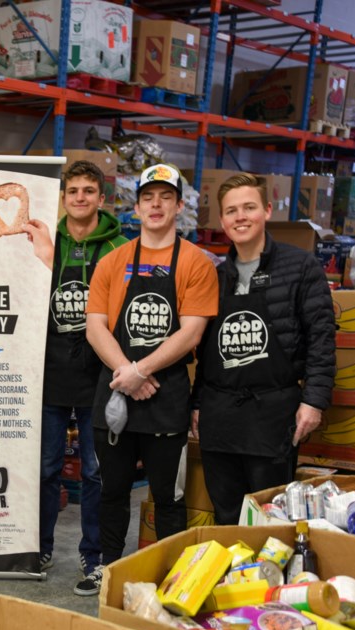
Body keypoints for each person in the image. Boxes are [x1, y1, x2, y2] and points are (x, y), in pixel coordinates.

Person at [84, 163, 219, 594]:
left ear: (179, 206)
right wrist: (127, 374)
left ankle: (174, 581)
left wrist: (140, 370)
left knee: (169, 496)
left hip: (166, 397)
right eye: (148, 197)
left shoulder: (196, 262)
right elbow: (95, 326)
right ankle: (104, 569)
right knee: (112, 491)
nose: (156, 204)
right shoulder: (113, 261)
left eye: (165, 197)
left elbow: (192, 331)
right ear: (137, 206)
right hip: (115, 397)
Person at [191, 173, 335, 525]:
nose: (240, 217)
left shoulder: (300, 267)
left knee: (271, 517)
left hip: (272, 415)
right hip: (219, 414)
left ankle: (268, 581)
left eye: (249, 207)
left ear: (267, 210)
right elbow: (206, 348)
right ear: (222, 220)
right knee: (225, 513)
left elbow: (322, 337)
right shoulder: (214, 275)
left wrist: (313, 401)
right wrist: (196, 403)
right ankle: (233, 580)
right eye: (231, 210)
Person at [22, 160, 128, 596]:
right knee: (44, 468)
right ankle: (39, 548)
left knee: (94, 473)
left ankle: (94, 555)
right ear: (63, 198)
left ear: (101, 199)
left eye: (88, 191)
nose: (80, 198)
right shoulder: (48, 236)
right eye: (73, 191)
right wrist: (45, 257)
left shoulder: (121, 246)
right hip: (48, 372)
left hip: (98, 377)